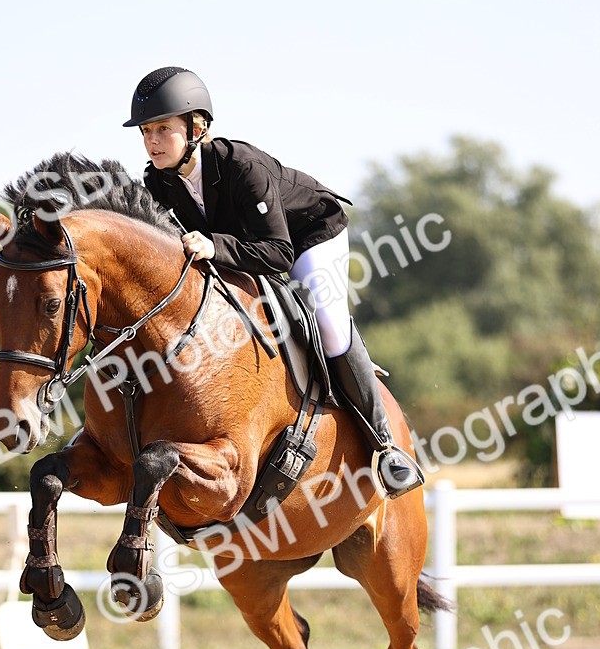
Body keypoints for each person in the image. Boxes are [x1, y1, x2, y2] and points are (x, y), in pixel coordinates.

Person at [122, 66, 423, 498]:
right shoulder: (157, 183)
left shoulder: (243, 165)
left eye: (162, 129)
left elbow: (279, 254)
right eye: (146, 132)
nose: (151, 141)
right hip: (242, 249)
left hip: (309, 238)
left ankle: (385, 447)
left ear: (197, 127)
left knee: (327, 321)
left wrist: (213, 244)